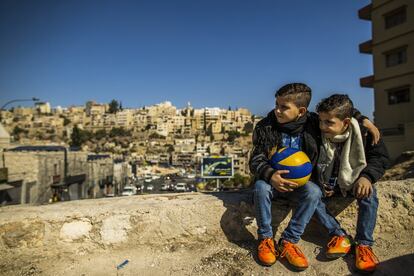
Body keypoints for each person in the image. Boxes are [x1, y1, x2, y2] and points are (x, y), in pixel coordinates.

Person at [249, 83, 379, 270]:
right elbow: (255, 159)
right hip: (271, 182)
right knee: (261, 188)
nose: (277, 110)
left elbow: (338, 111)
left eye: (283, 107)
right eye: (276, 104)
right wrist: (270, 175)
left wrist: (363, 119)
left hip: (303, 184)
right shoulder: (266, 126)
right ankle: (266, 240)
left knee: (314, 191)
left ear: (301, 111)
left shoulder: (313, 123)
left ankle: (289, 241)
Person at [312, 94, 390, 273]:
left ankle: (364, 245)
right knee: (309, 195)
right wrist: (320, 181)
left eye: (329, 122)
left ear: (346, 122)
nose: (323, 127)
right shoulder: (317, 132)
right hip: (329, 186)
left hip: (354, 181)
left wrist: (367, 177)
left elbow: (380, 158)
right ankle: (339, 235)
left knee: (370, 192)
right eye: (321, 121)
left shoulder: (364, 133)